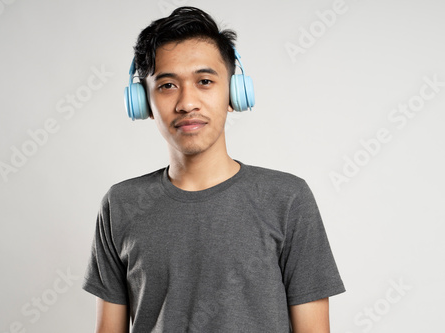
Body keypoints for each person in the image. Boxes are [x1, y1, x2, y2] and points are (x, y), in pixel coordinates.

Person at [83, 6, 345, 332]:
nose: (187, 102)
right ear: (142, 102)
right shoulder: (120, 204)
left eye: (204, 81)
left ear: (234, 93)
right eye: (167, 85)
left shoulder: (288, 198)